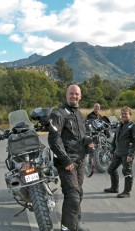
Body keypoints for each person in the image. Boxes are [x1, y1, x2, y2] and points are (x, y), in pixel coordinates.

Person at [48, 84, 94, 231]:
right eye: (71, 93)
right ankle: (67, 228)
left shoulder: (79, 115)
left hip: (80, 161)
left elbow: (80, 137)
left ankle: (74, 223)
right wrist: (66, 160)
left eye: (76, 94)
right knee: (73, 195)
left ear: (80, 96)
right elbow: (54, 140)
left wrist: (88, 144)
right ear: (66, 95)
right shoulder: (58, 113)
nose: (74, 96)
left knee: (78, 193)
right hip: (66, 162)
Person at [103, 106, 135, 198]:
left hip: (127, 153)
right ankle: (114, 188)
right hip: (118, 153)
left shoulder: (133, 126)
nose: (124, 115)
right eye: (122, 113)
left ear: (130, 115)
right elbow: (114, 139)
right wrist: (112, 151)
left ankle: (127, 192)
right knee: (111, 169)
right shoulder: (119, 125)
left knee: (127, 172)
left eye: (126, 113)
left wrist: (131, 154)